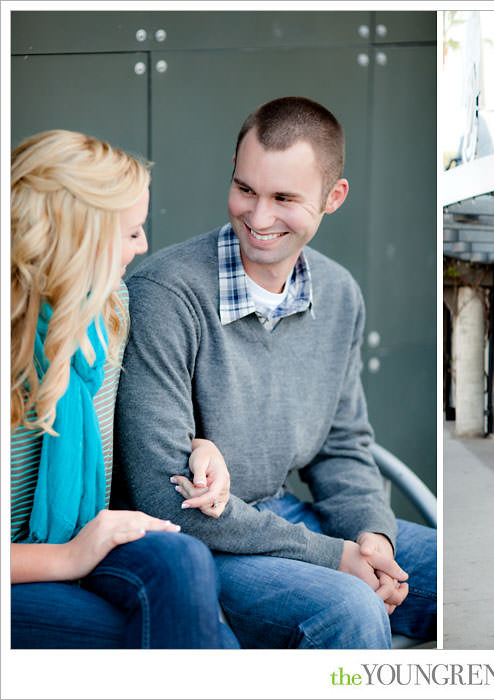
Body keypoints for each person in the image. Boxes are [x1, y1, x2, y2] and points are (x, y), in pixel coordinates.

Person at [113, 96, 437, 649]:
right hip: (195, 544)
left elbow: (342, 446)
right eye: (245, 189)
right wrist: (335, 555)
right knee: (351, 608)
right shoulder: (165, 295)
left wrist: (372, 536)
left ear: (333, 197)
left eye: (284, 198)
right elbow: (167, 497)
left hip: (287, 517)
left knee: (445, 570)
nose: (258, 218)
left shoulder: (339, 294)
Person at [10, 130, 238, 648]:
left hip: (86, 541)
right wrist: (70, 558)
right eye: (132, 232)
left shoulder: (110, 309)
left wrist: (200, 447)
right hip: (28, 568)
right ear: (76, 238)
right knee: (209, 645)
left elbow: (139, 419)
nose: (144, 247)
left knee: (183, 562)